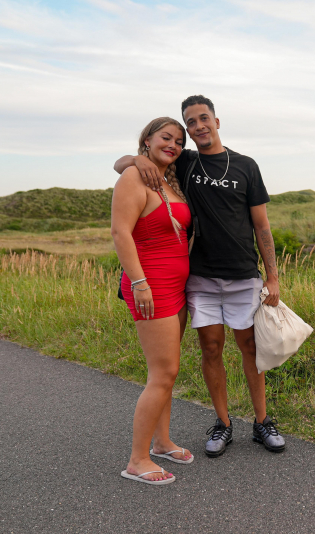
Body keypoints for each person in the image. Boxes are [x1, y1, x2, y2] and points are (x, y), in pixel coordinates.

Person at [114, 95, 285, 457]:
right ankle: (223, 425)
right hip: (202, 279)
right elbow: (123, 164)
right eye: (190, 123)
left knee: (251, 349)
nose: (197, 127)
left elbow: (262, 225)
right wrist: (136, 158)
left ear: (217, 121)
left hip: (243, 275)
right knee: (211, 349)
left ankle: (262, 422)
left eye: (202, 118)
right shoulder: (186, 162)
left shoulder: (245, 166)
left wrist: (272, 276)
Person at [111, 117, 194, 485]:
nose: (173, 145)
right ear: (147, 139)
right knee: (163, 374)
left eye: (179, 141)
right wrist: (139, 281)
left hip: (176, 287)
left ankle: (161, 442)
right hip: (152, 285)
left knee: (168, 372)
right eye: (166, 137)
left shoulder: (166, 180)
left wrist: (133, 158)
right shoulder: (134, 177)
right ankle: (137, 460)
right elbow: (120, 233)